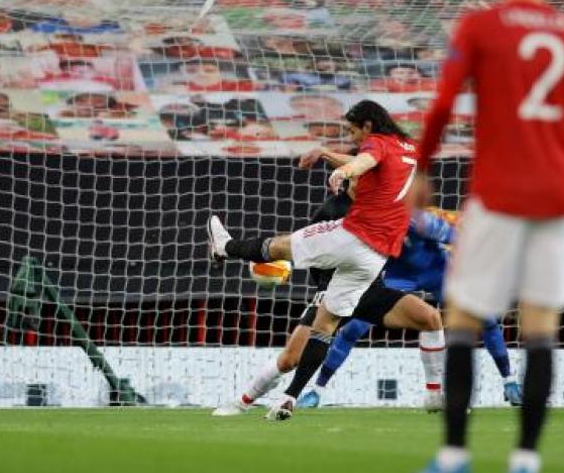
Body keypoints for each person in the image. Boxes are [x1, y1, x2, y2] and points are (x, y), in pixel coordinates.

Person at [405, 0, 564, 473]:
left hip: (497, 197)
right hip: (559, 200)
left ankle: (453, 458)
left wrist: (423, 169)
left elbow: (443, 105)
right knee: (541, 327)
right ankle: (525, 460)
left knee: (462, 320)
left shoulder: (480, 26)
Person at [207, 99, 419, 421]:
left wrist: (344, 170)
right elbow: (370, 160)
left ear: (368, 126)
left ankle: (225, 247)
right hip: (376, 256)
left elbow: (364, 160)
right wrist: (327, 155)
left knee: (279, 247)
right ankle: (290, 398)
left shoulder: (374, 145)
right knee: (326, 327)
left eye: (353, 131)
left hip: (354, 235)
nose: (354, 138)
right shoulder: (408, 149)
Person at [213, 190, 449, 418]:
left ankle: (434, 394)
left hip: (371, 290)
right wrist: (323, 288)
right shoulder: (333, 208)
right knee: (289, 359)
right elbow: (310, 249)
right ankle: (242, 402)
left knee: (430, 318)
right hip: (334, 291)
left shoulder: (382, 205)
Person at [295, 198, 522, 410]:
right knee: (353, 328)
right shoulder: (366, 222)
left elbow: (458, 238)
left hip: (436, 272)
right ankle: (317, 390)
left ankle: (509, 383)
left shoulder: (420, 220)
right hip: (397, 276)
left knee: (485, 319)